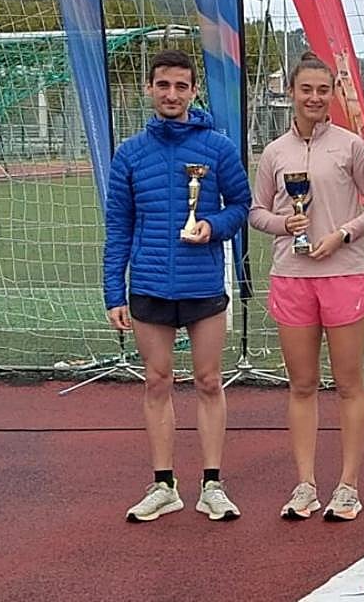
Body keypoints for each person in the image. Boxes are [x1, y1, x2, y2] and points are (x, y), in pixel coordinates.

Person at [103, 49, 251, 522]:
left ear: (193, 91)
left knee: (209, 380)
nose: (171, 94)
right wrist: (113, 292)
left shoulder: (217, 147)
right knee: (157, 381)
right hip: (148, 285)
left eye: (181, 86)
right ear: (149, 89)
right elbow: (118, 227)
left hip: (202, 283)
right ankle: (164, 484)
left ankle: (213, 484)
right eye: (163, 85)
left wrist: (213, 226)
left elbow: (241, 206)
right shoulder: (129, 154)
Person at [249, 51, 364, 522]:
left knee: (349, 384)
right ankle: (305, 484)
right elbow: (256, 211)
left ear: (333, 94)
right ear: (291, 93)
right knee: (302, 385)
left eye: (322, 90)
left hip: (344, 273)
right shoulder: (274, 153)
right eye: (306, 89)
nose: (314, 98)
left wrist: (343, 234)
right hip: (292, 277)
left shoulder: (351, 146)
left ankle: (348, 485)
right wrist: (284, 226)